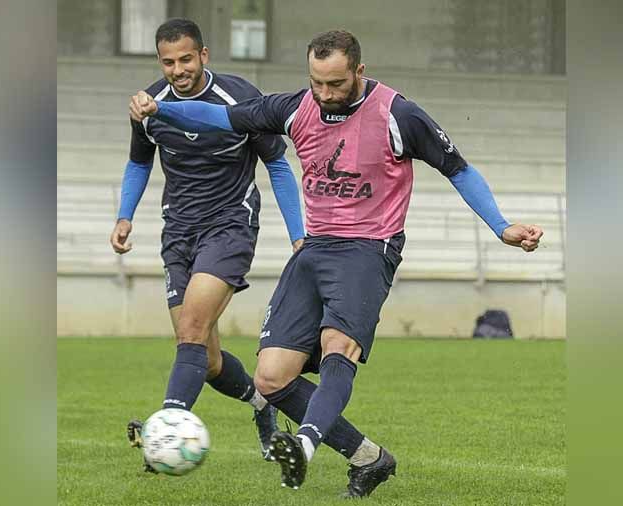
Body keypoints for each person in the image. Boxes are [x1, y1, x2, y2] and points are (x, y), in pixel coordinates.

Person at [128, 29, 543, 496]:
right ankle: (369, 458)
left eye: (336, 84)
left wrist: (501, 226)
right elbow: (218, 116)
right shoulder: (295, 107)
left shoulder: (398, 114)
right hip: (315, 248)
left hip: (369, 248)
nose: (325, 95)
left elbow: (458, 168)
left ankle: (302, 447)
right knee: (272, 378)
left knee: (336, 348)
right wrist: (158, 108)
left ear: (359, 71)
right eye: (316, 84)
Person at [110, 18, 305, 466]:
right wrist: (124, 215)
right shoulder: (147, 105)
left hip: (230, 224)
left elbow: (276, 165)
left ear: (204, 55)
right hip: (177, 230)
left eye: (185, 59)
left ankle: (166, 427)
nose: (177, 70)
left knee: (192, 331)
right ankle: (261, 404)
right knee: (207, 357)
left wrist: (299, 235)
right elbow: (139, 164)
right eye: (167, 62)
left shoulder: (240, 98)